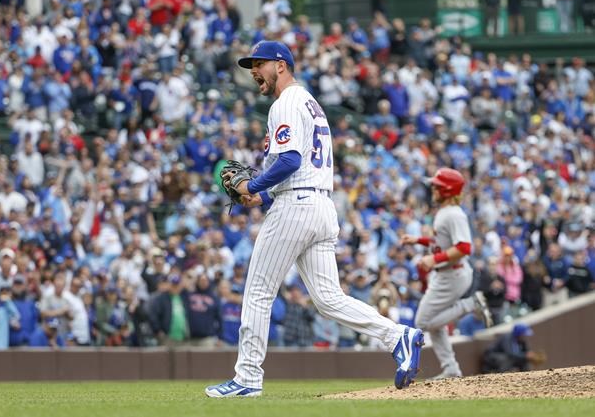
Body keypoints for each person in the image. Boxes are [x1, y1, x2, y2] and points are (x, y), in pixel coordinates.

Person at [206, 41, 424, 398]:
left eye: (259, 64)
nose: (253, 72)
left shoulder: (287, 103)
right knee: (328, 298)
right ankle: (397, 335)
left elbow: (290, 161)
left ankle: (247, 379)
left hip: (297, 206)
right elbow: (298, 165)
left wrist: (253, 183)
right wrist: (260, 194)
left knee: (259, 292)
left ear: (281, 65)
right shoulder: (309, 102)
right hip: (320, 206)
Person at [400, 168, 493, 380]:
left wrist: (433, 259)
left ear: (447, 190)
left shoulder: (454, 214)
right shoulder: (445, 211)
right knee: (433, 322)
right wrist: (418, 241)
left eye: (437, 186)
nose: (433, 188)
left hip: (453, 274)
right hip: (446, 274)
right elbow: (442, 242)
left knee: (423, 322)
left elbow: (464, 248)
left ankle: (470, 305)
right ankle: (451, 368)